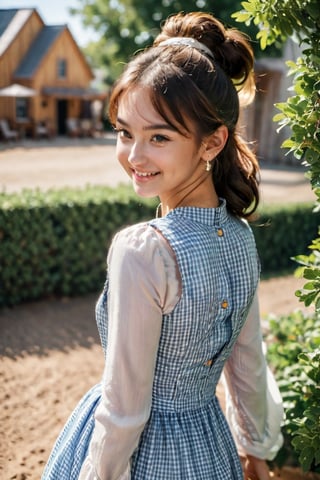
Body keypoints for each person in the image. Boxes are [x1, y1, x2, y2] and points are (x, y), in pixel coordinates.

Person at [42, 11, 283, 480]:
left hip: (146, 459)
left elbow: (124, 410)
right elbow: (248, 363)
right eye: (124, 132)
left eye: (159, 137)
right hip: (210, 448)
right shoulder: (240, 236)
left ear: (212, 143)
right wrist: (255, 450)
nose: (134, 156)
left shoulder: (143, 250)